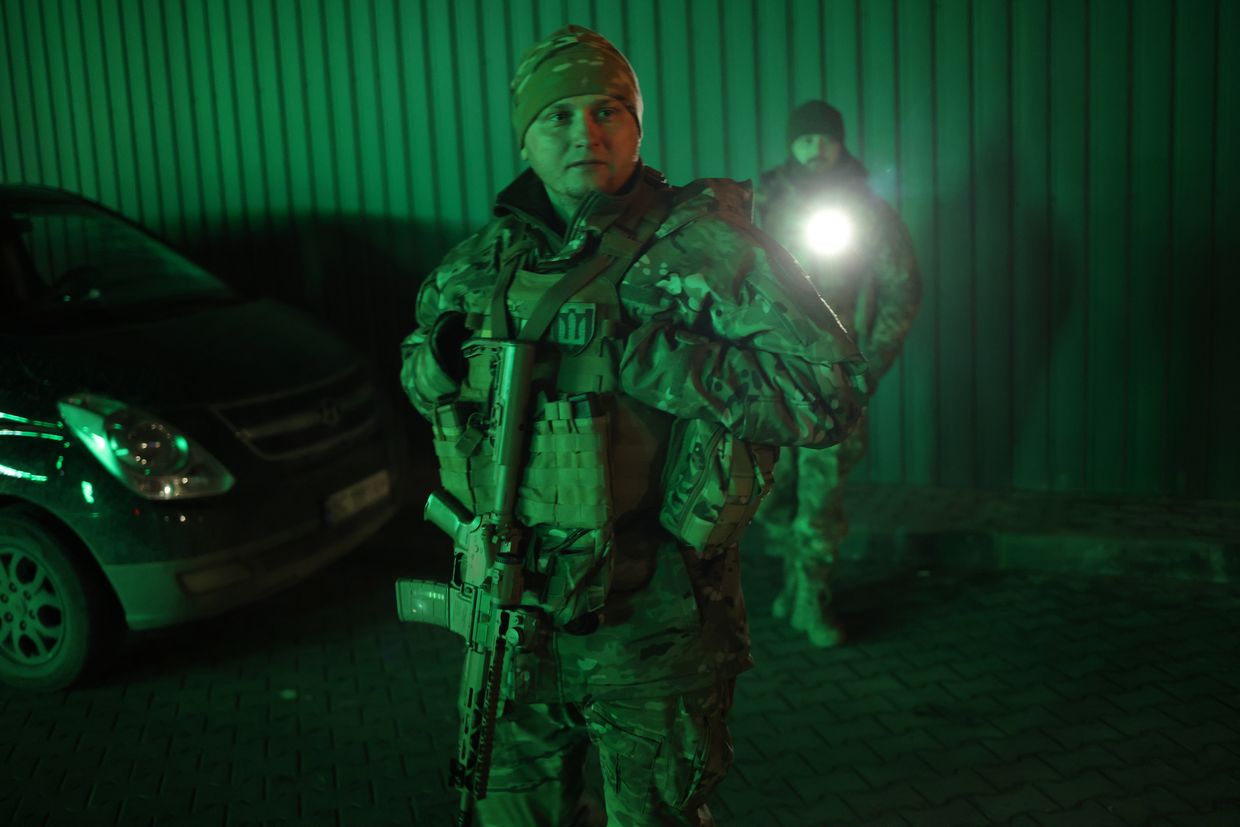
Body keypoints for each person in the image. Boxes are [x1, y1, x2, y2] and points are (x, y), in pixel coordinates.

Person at [400, 29, 866, 827]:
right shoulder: (478, 263)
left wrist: (648, 358)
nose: (586, 132)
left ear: (636, 127)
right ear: (525, 136)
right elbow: (417, 373)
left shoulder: (703, 245)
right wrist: (442, 360)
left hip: (652, 630)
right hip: (513, 622)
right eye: (559, 117)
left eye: (608, 110)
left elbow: (829, 392)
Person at [752, 100, 921, 648]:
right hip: (772, 378)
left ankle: (811, 596)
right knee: (768, 495)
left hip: (834, 381)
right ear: (790, 144)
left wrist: (870, 366)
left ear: (840, 143)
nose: (814, 149)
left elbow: (902, 287)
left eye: (824, 139)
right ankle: (794, 579)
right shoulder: (763, 202)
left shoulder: (865, 208)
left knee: (821, 499)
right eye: (804, 140)